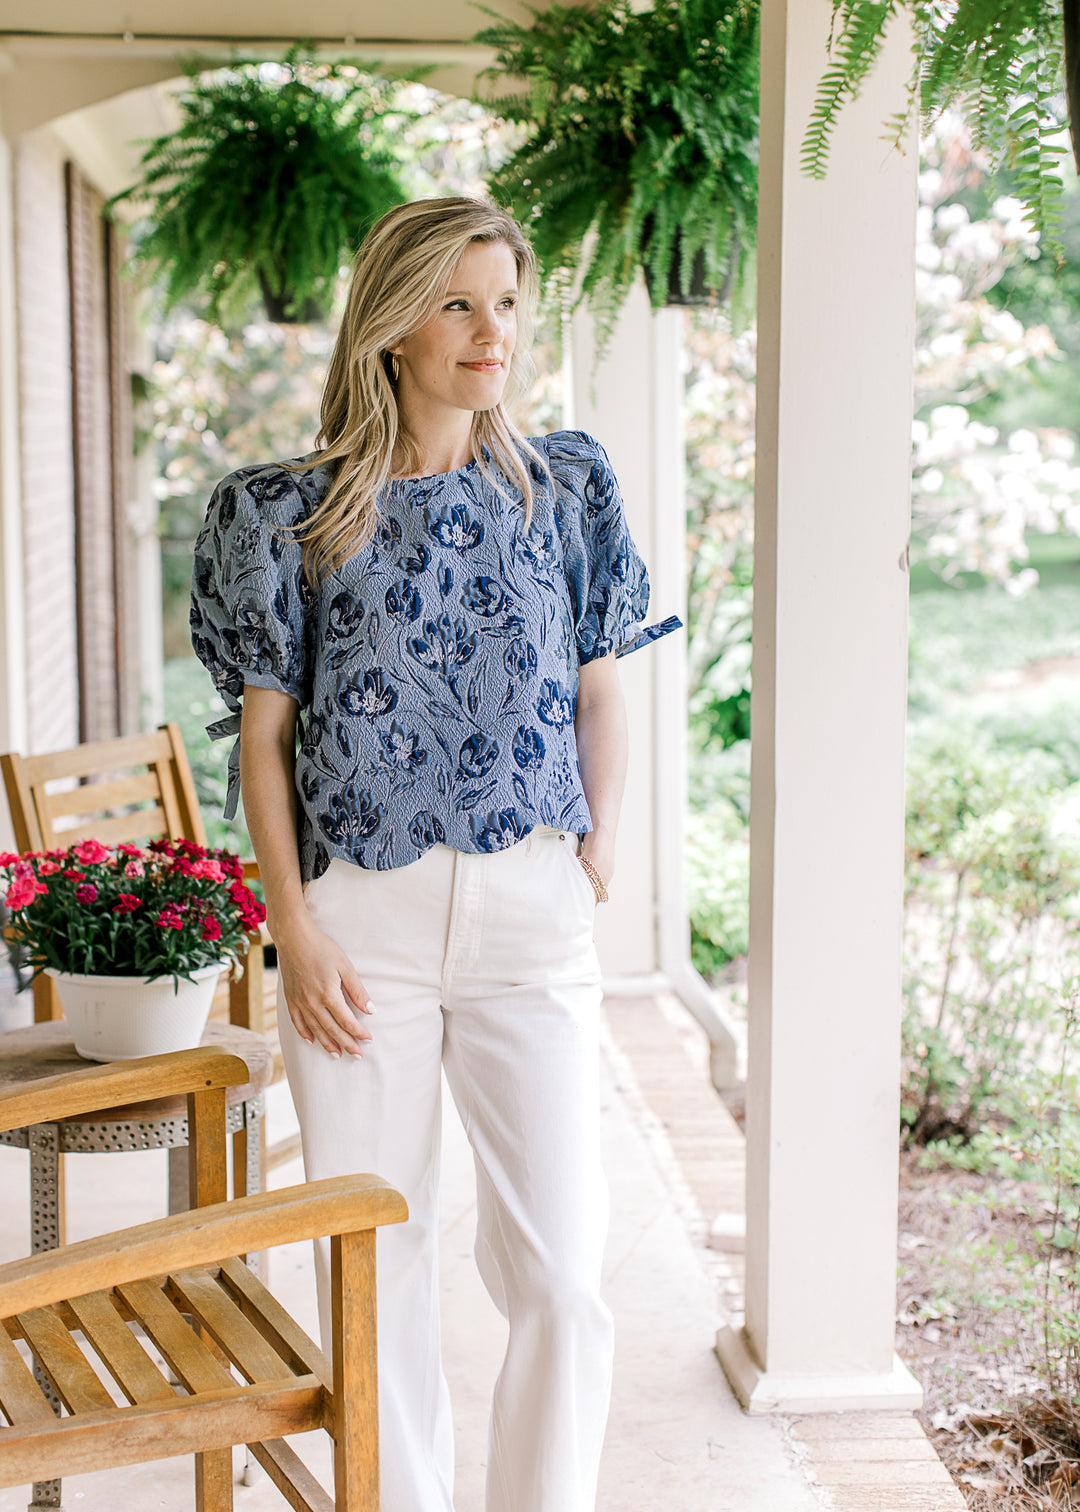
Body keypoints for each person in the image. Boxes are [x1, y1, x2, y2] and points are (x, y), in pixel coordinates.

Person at [189, 196, 680, 1512]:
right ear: (393, 323)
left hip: (531, 922)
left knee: (564, 1280)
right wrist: (294, 924)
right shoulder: (284, 513)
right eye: (461, 302)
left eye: (508, 302)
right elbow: (263, 740)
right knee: (379, 1268)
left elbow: (603, 682)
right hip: (362, 935)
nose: (493, 330)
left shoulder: (564, 484)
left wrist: (598, 850)